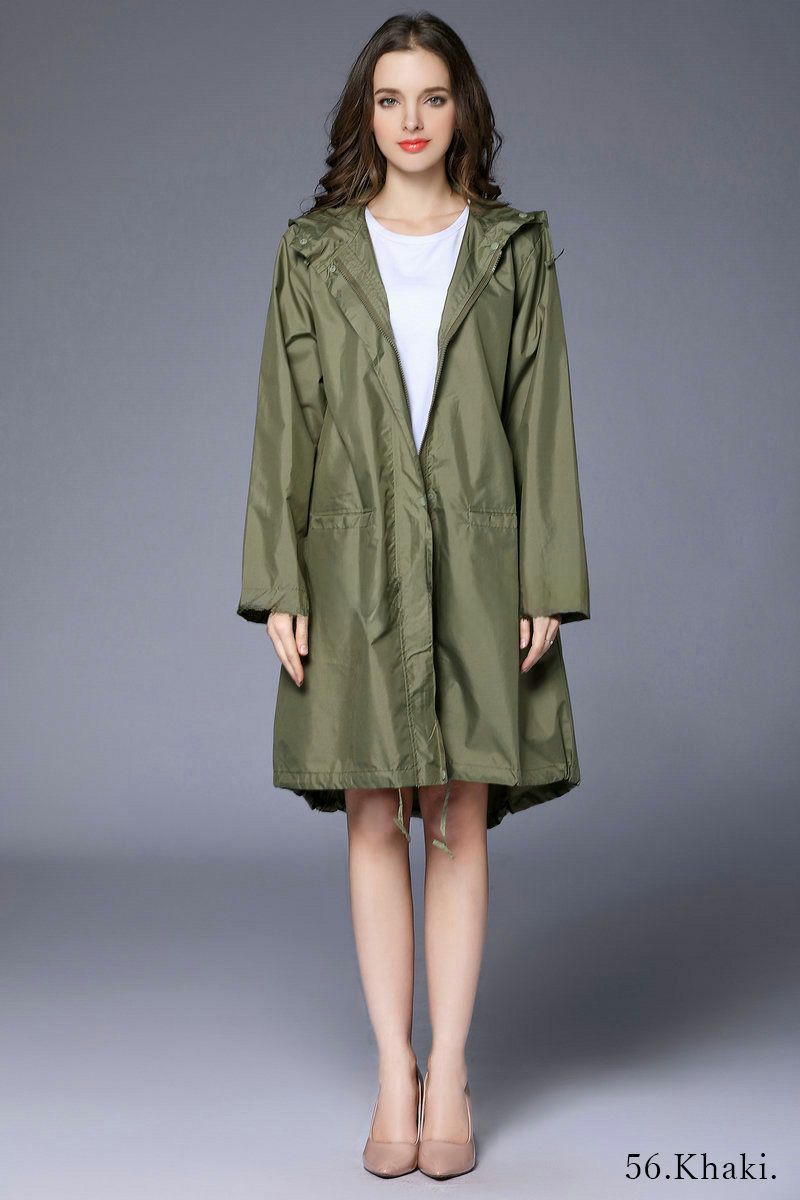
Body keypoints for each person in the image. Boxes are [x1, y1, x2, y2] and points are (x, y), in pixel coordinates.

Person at [236, 12, 590, 1180]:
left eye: (432, 97)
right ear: (364, 113)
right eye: (389, 98)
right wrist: (277, 580)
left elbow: (540, 419)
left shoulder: (511, 248)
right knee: (370, 809)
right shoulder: (312, 252)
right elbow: (284, 425)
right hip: (350, 557)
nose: (410, 121)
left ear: (462, 110)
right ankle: (395, 1069)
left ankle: (453, 1065)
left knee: (458, 812)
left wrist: (547, 580)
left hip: (481, 560)